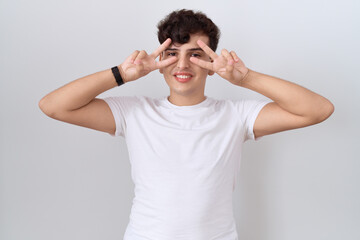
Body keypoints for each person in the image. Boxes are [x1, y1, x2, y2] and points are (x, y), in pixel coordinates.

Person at [39, 9, 334, 240]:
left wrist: (245, 78)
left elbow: (318, 110)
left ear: (212, 62)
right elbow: (53, 106)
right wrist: (121, 74)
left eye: (195, 54)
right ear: (160, 62)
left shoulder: (236, 116)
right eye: (172, 54)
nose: (182, 65)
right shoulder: (135, 113)